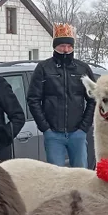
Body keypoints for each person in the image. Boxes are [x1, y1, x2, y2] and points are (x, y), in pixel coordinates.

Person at [27, 24, 96, 168]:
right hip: (53, 134)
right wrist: (45, 127)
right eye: (62, 45)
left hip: (77, 133)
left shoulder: (82, 69)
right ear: (55, 46)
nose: (65, 49)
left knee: (81, 175)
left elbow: (93, 99)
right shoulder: (44, 68)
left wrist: (84, 127)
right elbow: (33, 99)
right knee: (55, 177)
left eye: (69, 46)